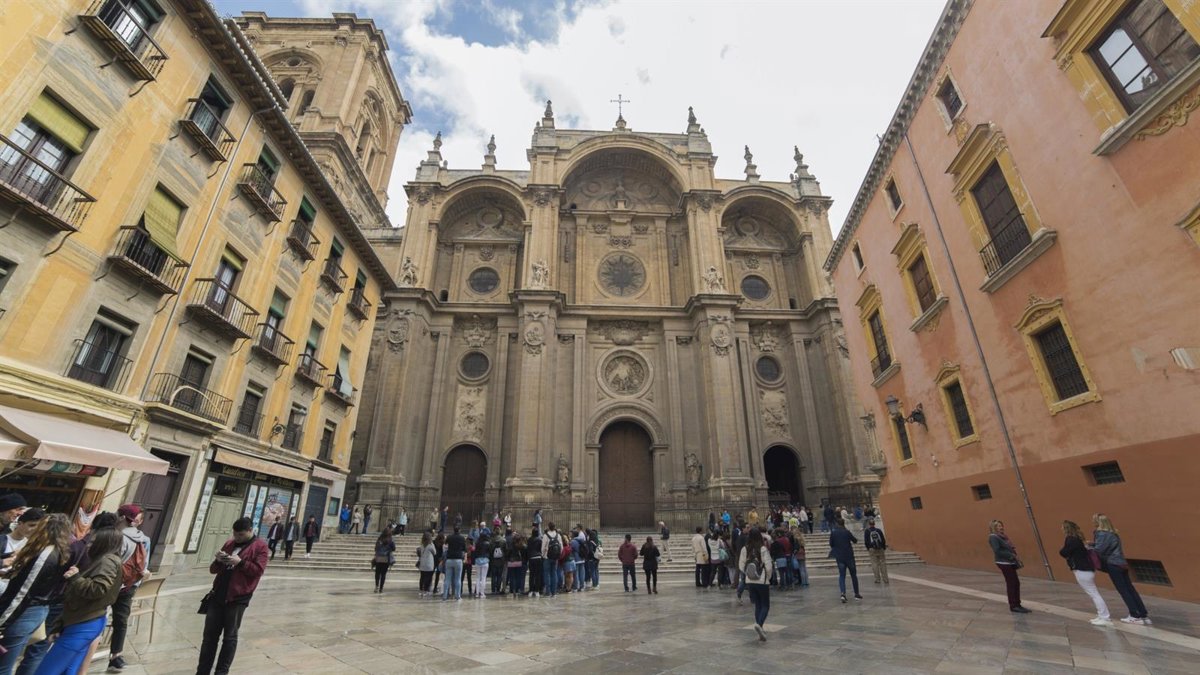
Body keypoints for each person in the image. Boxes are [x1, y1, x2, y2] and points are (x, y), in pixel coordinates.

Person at [33, 527, 124, 675]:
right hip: (83, 620)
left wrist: (75, 577)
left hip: (84, 623)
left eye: (93, 542)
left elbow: (98, 589)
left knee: (47, 670)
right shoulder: (104, 560)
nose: (88, 545)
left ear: (103, 543)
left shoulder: (107, 561)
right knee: (68, 670)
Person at [196, 517, 268, 675]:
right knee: (209, 638)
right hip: (217, 595)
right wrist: (218, 560)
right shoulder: (229, 544)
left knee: (229, 638)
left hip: (238, 598)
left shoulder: (260, 546)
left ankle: (221, 672)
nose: (237, 538)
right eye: (235, 534)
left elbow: (258, 571)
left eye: (241, 535)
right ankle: (202, 671)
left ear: (250, 531)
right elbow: (213, 570)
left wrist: (240, 562)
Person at [0, 512, 69, 673]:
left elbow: (23, 592)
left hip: (22, 612)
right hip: (33, 611)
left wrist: (3, 622)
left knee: (3, 666)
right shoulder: (59, 552)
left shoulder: (45, 554)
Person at [108, 503, 150, 672]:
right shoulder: (144, 538)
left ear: (121, 517)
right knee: (121, 620)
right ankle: (116, 656)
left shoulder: (115, 536)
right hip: (129, 585)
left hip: (111, 583)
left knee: (97, 617)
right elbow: (144, 565)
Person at [1092, 513, 1149, 625]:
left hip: (1113, 564)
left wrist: (1089, 547)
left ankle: (1134, 615)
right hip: (1122, 563)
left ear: (1098, 522)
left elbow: (1100, 550)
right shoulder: (1114, 533)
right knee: (1130, 589)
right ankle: (1143, 614)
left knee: (1123, 590)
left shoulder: (1101, 533)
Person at [1059, 520, 1112, 626]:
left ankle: (1105, 617)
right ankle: (1101, 615)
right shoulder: (1078, 538)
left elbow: (1063, 552)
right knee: (1093, 593)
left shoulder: (1071, 539)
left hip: (1082, 570)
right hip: (1087, 569)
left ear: (1066, 529)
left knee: (1094, 594)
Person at [988, 520, 1029, 613]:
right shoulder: (993, 537)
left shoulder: (1003, 536)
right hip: (1004, 562)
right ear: (994, 527)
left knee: (1016, 583)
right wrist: (1011, 555)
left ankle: (1017, 604)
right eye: (998, 526)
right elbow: (997, 550)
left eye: (1001, 525)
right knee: (1012, 583)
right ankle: (1013, 605)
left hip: (1009, 562)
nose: (1001, 527)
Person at [740, 528, 772, 642]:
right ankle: (759, 624)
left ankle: (760, 629)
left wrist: (748, 575)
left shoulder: (745, 549)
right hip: (761, 580)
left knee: (758, 604)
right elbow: (768, 565)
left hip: (750, 581)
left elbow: (741, 565)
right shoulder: (762, 548)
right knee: (765, 605)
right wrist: (768, 577)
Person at [829, 518, 861, 603]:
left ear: (837, 524)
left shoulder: (834, 533)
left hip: (840, 557)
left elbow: (831, 544)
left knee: (842, 575)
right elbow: (855, 540)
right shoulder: (847, 532)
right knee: (853, 575)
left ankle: (843, 593)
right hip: (849, 556)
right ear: (843, 523)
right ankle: (856, 593)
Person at [442, 526, 466, 601]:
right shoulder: (462, 538)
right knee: (458, 579)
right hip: (458, 559)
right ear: (459, 530)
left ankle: (445, 596)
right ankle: (457, 596)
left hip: (449, 559)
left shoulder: (449, 537)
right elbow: (464, 549)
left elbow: (445, 544)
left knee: (447, 579)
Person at [541, 523, 563, 597]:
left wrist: (543, 555)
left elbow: (543, 547)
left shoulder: (545, 535)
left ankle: (548, 592)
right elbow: (561, 547)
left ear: (548, 527)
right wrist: (558, 555)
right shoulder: (558, 535)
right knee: (554, 573)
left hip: (547, 557)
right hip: (555, 557)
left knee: (547, 574)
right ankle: (554, 592)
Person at [863, 519, 889, 585]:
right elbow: (883, 540)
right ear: (874, 524)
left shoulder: (867, 531)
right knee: (883, 563)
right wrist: (883, 547)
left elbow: (866, 541)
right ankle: (885, 579)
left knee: (875, 564)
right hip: (880, 549)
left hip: (872, 549)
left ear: (869, 524)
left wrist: (868, 548)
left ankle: (877, 579)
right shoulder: (878, 530)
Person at [372, 528, 395, 593]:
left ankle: (376, 586)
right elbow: (394, 548)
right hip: (386, 559)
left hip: (379, 558)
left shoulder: (379, 539)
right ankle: (381, 588)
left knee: (377, 573)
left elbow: (376, 548)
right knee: (383, 574)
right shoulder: (390, 540)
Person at [416, 533, 435, 597]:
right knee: (428, 578)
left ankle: (421, 590)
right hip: (429, 564)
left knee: (422, 577)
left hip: (422, 563)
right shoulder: (430, 545)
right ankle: (426, 591)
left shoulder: (422, 545)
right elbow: (435, 552)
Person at [526, 528, 543, 598]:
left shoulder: (529, 540)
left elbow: (528, 549)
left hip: (531, 558)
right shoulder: (540, 540)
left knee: (532, 575)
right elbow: (541, 549)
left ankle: (531, 590)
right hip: (538, 557)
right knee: (538, 575)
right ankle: (537, 591)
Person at [472, 534, 489, 598]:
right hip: (485, 561)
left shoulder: (477, 543)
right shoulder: (487, 543)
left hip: (478, 561)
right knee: (483, 577)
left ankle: (477, 593)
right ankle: (482, 593)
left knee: (478, 578)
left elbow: (475, 552)